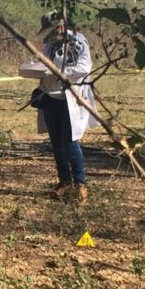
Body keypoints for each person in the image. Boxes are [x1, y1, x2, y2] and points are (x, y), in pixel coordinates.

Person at [35, 12, 99, 203]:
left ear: (60, 27)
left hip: (70, 98)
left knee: (70, 143)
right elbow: (44, 63)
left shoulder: (77, 41)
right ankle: (64, 182)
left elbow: (84, 67)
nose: (49, 36)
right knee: (56, 143)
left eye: (51, 31)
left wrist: (59, 72)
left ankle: (80, 185)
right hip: (51, 96)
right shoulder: (51, 43)